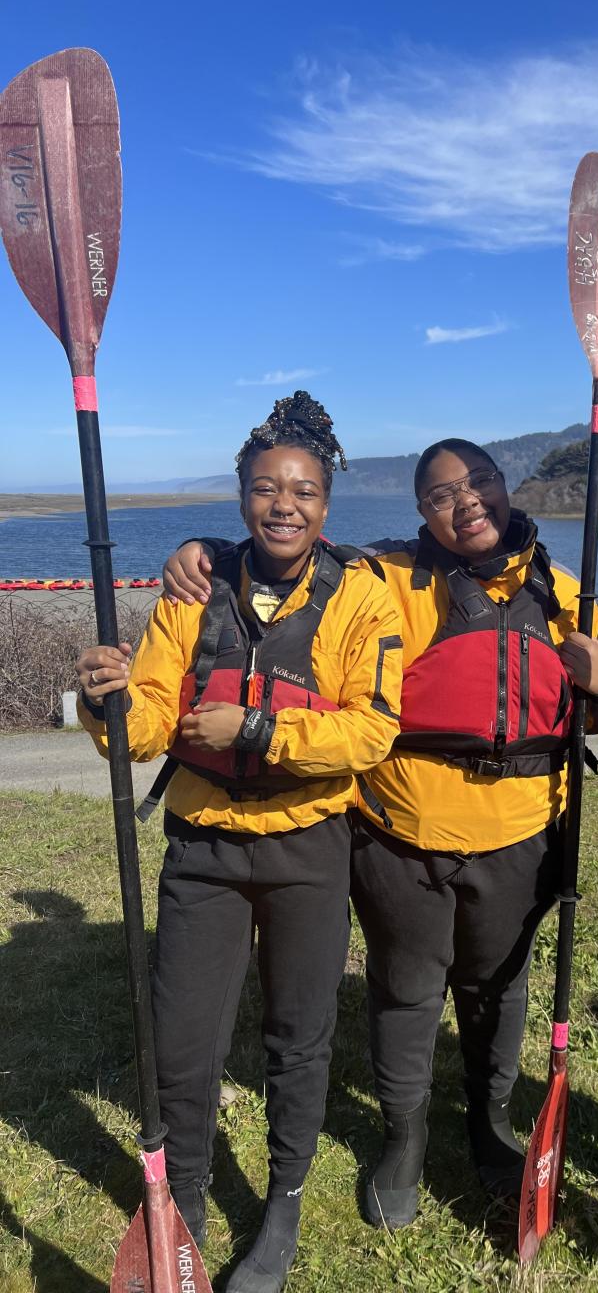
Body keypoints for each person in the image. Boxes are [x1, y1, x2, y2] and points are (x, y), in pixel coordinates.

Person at [162, 437, 598, 1229]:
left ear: (506, 487)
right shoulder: (385, 578)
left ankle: (490, 1123)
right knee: (406, 990)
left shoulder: (566, 592)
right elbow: (291, 550)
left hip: (521, 835)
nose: (468, 500)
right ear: (421, 512)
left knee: (498, 987)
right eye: (443, 493)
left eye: (480, 481)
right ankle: (403, 1138)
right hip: (404, 834)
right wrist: (205, 547)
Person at [77, 392, 403, 1293]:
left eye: (302, 490)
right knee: (183, 1040)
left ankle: (283, 1200)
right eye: (266, 488)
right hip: (205, 847)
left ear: (327, 505)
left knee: (298, 1037)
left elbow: (370, 732)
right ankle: (176, 1200)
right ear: (242, 496)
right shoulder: (194, 585)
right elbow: (147, 717)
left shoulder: (362, 597)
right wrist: (106, 703)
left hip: (308, 846)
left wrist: (257, 730)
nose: (284, 504)